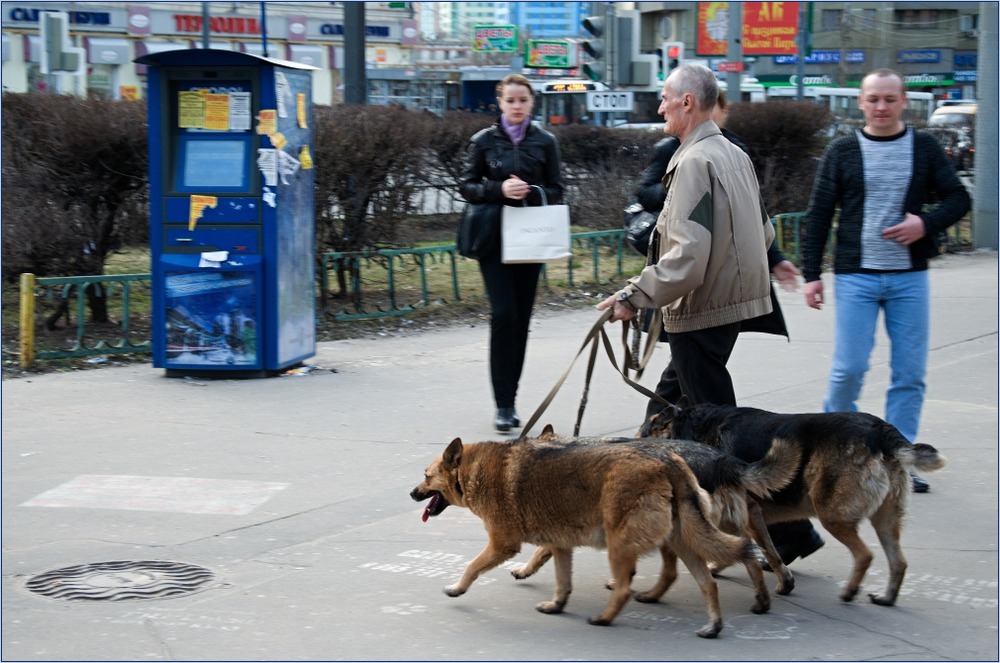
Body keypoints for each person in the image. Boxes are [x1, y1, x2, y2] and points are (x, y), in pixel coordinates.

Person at [801, 67, 970, 495]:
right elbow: (819, 213)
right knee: (849, 369)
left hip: (909, 278)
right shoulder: (842, 151)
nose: (880, 106)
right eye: (873, 99)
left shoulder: (924, 147)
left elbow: (959, 198)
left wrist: (924, 224)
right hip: (856, 276)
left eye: (889, 99)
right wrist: (811, 275)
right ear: (861, 102)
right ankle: (834, 450)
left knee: (909, 373)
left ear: (903, 102)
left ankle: (900, 459)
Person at [597, 63, 773, 413]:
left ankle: (741, 469)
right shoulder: (733, 153)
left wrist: (633, 296)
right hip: (724, 306)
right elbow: (764, 232)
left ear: (687, 102)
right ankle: (649, 461)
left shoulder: (694, 161)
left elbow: (687, 258)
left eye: (665, 99)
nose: (661, 108)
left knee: (716, 425)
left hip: (702, 308)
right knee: (668, 407)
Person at [459, 74, 565, 432]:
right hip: (494, 238)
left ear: (531, 102)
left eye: (523, 100)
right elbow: (467, 186)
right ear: (500, 103)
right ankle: (502, 403)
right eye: (510, 100)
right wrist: (499, 188)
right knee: (503, 314)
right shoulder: (483, 141)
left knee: (519, 319)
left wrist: (532, 192)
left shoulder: (545, 141)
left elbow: (557, 188)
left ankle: (511, 399)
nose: (517, 106)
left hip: (531, 238)